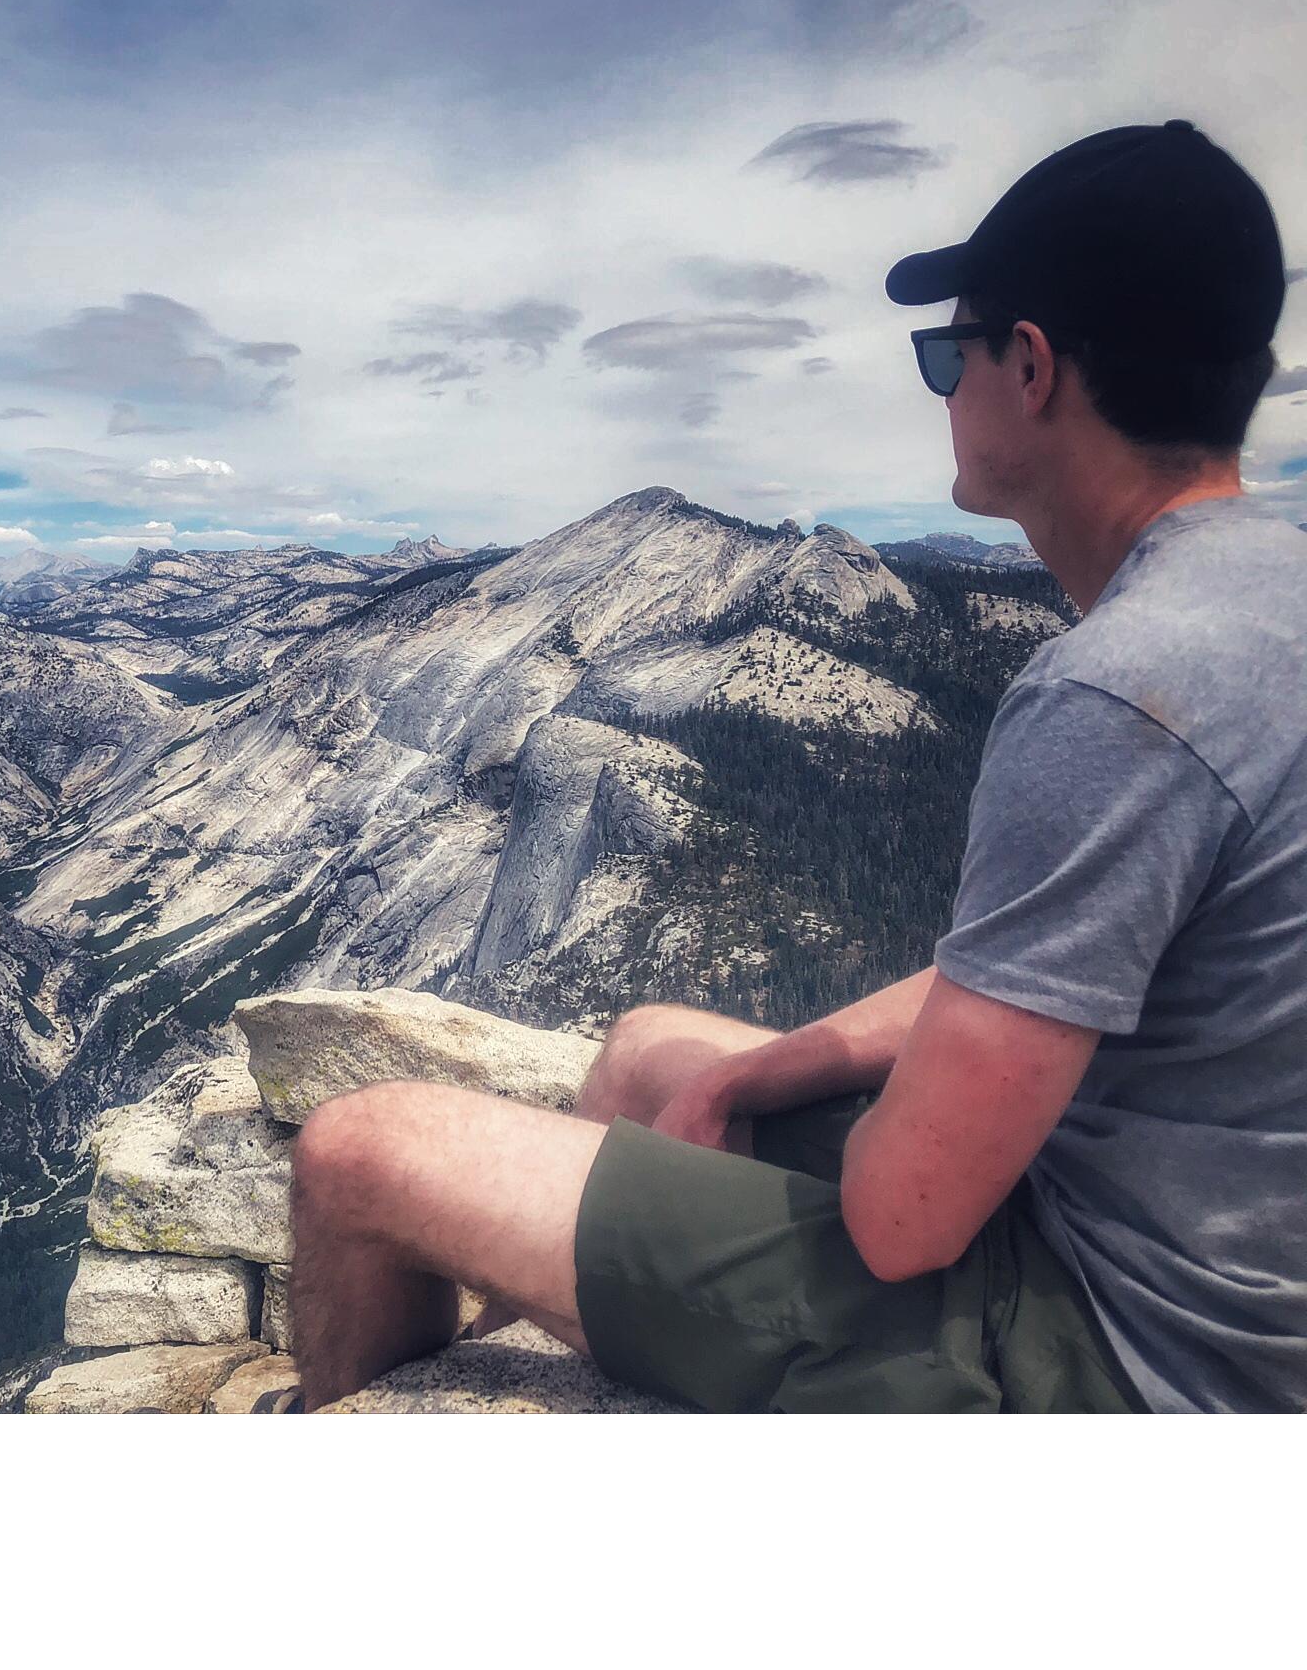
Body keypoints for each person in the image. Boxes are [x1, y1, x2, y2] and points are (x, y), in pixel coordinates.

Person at [287, 119, 1306, 1413]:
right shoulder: (1266, 607)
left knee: (361, 1151)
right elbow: (1065, 952)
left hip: (1113, 1353)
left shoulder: (1121, 691)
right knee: (662, 1048)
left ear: (1032, 368)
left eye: (950, 350)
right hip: (1183, 1264)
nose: (943, 387)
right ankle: (612, 1298)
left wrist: (873, 1137)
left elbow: (904, 1222)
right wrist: (769, 1074)